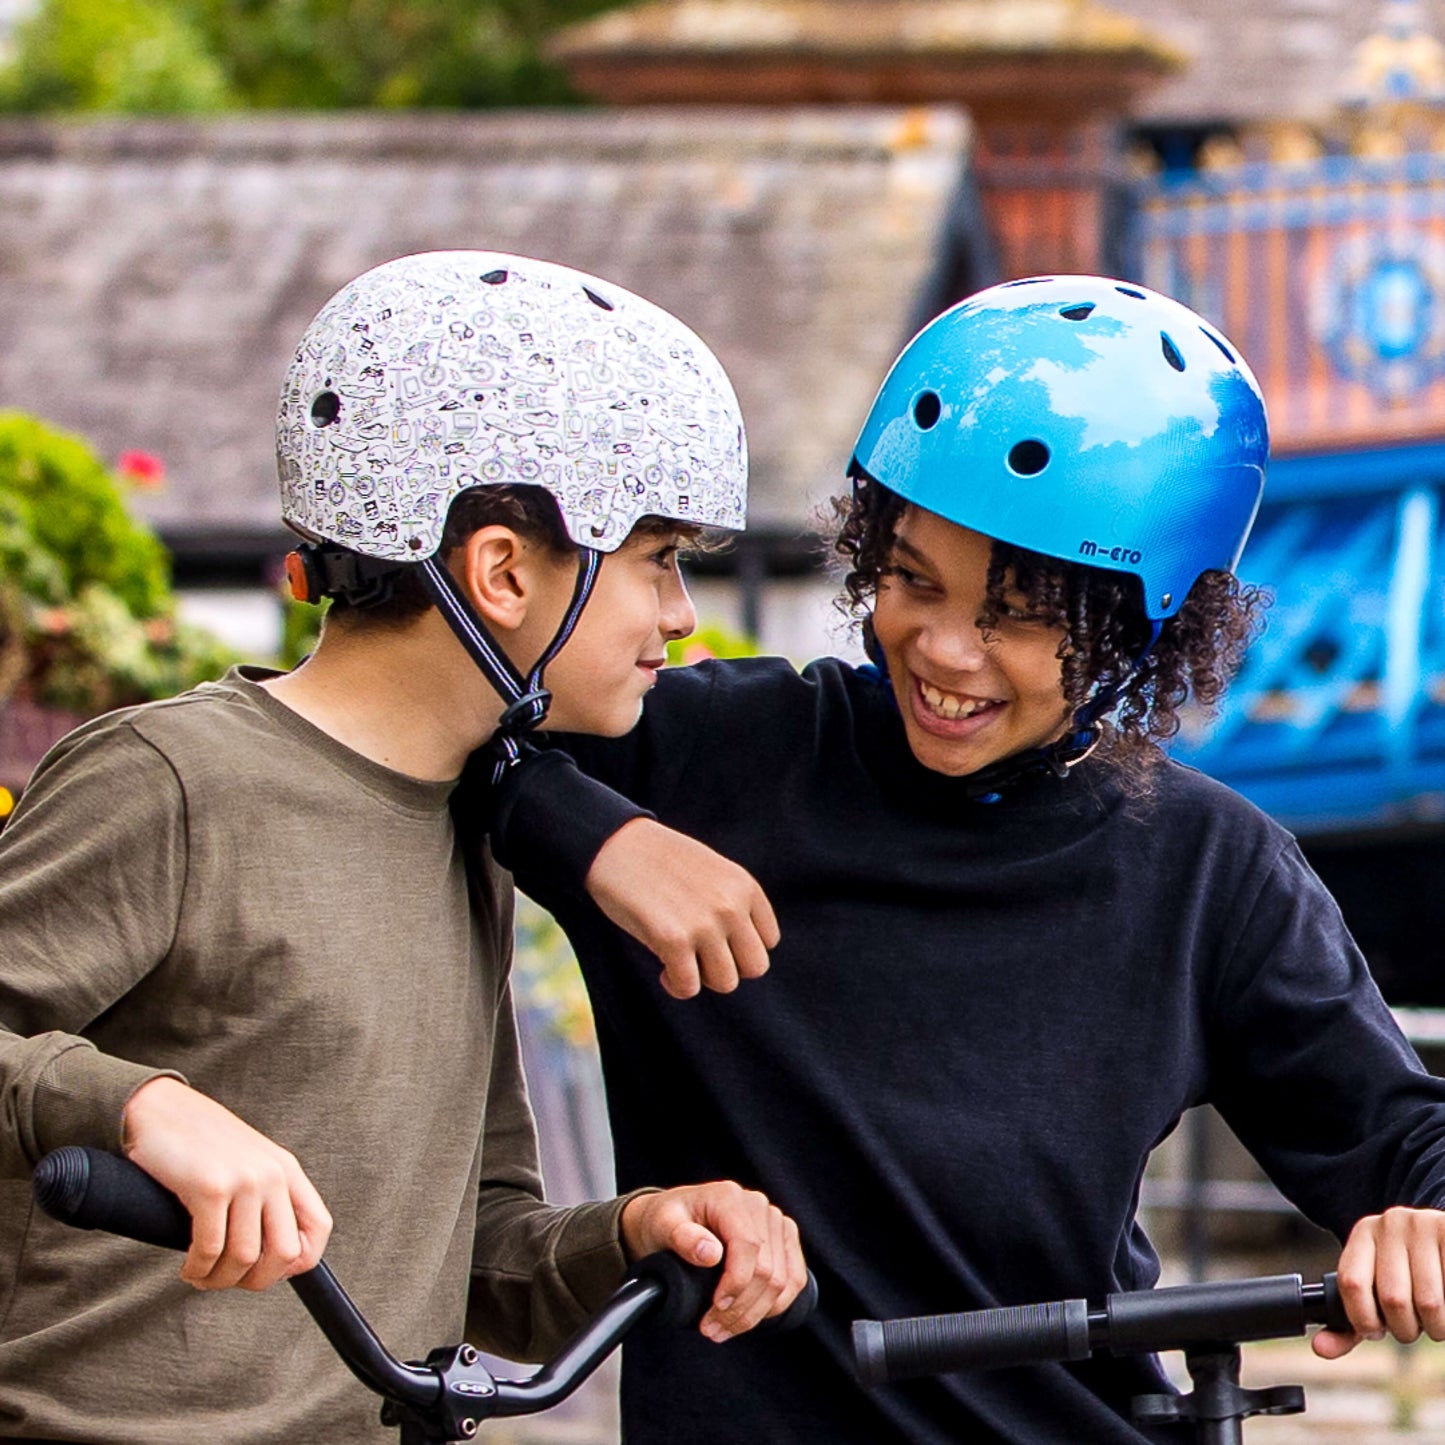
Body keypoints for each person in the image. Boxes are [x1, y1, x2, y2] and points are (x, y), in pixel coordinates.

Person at [478, 275, 1445, 1443]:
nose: (940, 649)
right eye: (910, 579)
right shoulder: (704, 760)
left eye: (1018, 613)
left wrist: (1416, 1222)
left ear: (1142, 620)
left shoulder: (1211, 873)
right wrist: (588, 829)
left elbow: (1403, 1140)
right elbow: (426, 729)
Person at [0, 251, 804, 1445]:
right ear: (503, 570)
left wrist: (638, 1229)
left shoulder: (460, 830)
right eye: (655, 560)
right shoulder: (173, 780)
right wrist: (138, 1104)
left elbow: (476, 1253)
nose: (679, 613)